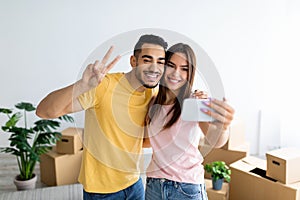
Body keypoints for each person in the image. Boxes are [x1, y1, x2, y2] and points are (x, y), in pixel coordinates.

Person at [36, 34, 168, 200]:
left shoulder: (153, 93)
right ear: (133, 61)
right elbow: (44, 111)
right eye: (147, 60)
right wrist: (82, 86)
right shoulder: (103, 86)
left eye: (160, 62)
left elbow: (143, 142)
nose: (154, 67)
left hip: (135, 184)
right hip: (102, 192)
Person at [143, 43, 235, 200]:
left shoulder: (194, 102)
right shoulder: (152, 103)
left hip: (185, 188)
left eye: (184, 69)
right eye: (171, 65)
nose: (176, 73)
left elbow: (215, 139)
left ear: (190, 73)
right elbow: (149, 141)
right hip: (154, 186)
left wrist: (223, 127)